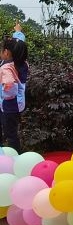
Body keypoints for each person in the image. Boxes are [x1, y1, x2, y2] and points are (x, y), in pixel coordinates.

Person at [0, 22, 28, 152]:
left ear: (6, 53)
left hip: (9, 104)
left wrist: (6, 95)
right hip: (17, 103)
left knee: (10, 133)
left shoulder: (6, 67)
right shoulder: (21, 62)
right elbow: (18, 45)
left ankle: (15, 156)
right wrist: (18, 33)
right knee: (11, 131)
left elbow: (9, 84)